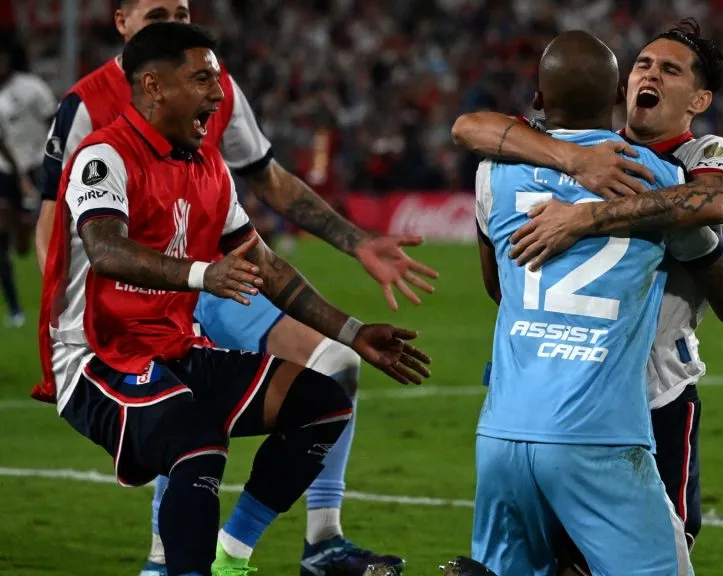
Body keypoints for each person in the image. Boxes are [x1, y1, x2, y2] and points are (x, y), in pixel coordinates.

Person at [35, 2, 433, 574]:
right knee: (196, 446)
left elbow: (266, 267)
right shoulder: (104, 155)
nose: (218, 96)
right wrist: (202, 274)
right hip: (98, 357)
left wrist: (354, 331)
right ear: (153, 86)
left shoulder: (208, 168)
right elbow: (106, 251)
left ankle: (233, 558)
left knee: (324, 402)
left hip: (175, 347)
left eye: (217, 80)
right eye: (202, 80)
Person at [452, 19, 723, 574]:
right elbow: (469, 126)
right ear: (617, 88)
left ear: (698, 98)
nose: (648, 74)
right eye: (643, 65)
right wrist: (575, 162)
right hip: (589, 397)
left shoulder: (697, 158)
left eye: (669, 69)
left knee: (647, 544)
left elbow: (718, 200)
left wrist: (586, 217)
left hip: (651, 394)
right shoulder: (603, 158)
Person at [0, 35, 55, 327]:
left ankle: (56, 298)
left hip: (36, 166)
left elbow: (53, 121)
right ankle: (14, 308)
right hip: (5, 171)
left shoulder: (31, 88)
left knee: (29, 240)